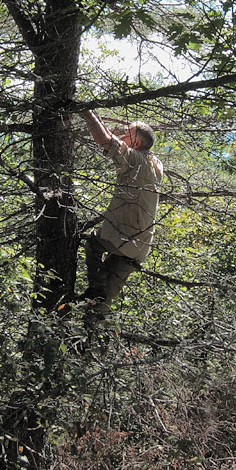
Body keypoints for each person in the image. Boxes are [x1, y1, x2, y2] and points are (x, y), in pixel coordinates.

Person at [78, 110, 164, 325]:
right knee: (104, 301)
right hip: (140, 248)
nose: (122, 135)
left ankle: (95, 290)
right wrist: (124, 129)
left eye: (127, 134)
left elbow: (105, 140)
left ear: (135, 143)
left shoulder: (135, 160)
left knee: (93, 245)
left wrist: (87, 113)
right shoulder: (155, 164)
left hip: (123, 237)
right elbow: (126, 137)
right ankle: (88, 330)